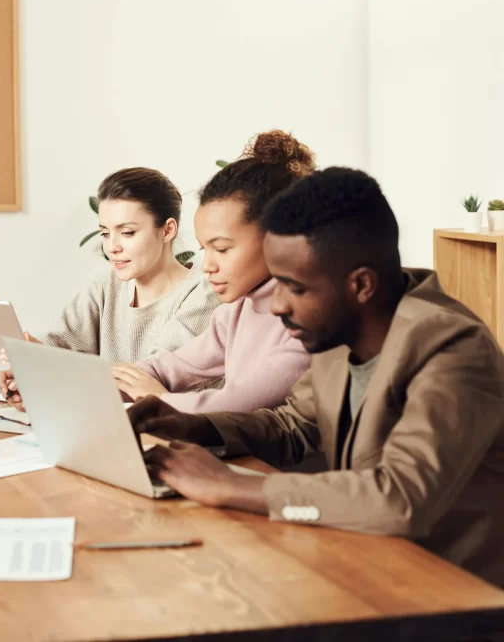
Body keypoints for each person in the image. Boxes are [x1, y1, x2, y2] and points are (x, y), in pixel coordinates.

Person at [131, 168, 504, 588]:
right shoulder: (342, 330)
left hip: (454, 599)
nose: (277, 306)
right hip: (364, 566)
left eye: (293, 287)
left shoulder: (453, 349)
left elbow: (400, 498)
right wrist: (199, 426)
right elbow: (295, 424)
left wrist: (233, 486)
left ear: (360, 285)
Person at [111, 130, 313, 414]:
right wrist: (95, 386)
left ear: (279, 237)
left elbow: (236, 404)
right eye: (205, 250)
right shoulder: (236, 311)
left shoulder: (312, 320)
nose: (207, 266)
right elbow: (168, 368)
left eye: (223, 249)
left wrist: (159, 400)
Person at [36, 167, 220, 361]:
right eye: (105, 234)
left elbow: (157, 374)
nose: (112, 247)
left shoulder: (204, 295)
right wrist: (29, 358)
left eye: (127, 233)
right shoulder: (107, 285)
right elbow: (58, 341)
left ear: (167, 230)